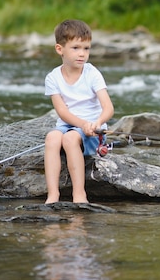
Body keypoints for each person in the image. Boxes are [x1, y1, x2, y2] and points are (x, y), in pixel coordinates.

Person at [43, 19, 114, 204]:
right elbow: (62, 112)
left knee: (70, 138)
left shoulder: (92, 74)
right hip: (69, 124)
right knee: (52, 138)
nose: (82, 54)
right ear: (60, 49)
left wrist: (96, 123)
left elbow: (108, 108)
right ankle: (52, 195)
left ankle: (79, 194)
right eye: (75, 48)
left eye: (86, 48)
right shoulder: (53, 78)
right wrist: (81, 124)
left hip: (91, 129)